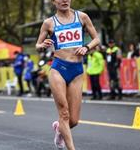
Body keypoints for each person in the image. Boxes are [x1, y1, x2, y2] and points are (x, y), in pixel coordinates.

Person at [35, 0, 100, 149]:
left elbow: (96, 39)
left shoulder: (82, 17)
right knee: (64, 113)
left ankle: (59, 130)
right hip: (58, 68)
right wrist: (42, 45)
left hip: (77, 70)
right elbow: (38, 46)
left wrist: (86, 47)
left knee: (74, 120)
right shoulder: (49, 23)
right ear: (53, 1)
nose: (64, 0)